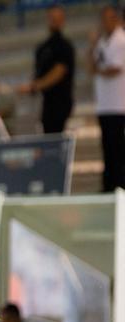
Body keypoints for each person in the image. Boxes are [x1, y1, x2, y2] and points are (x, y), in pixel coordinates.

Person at [18, 5, 75, 134]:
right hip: (46, 102)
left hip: (61, 101)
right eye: (52, 18)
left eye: (57, 18)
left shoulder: (64, 46)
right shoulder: (42, 48)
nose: (54, 21)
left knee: (56, 134)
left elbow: (59, 72)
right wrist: (32, 86)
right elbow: (39, 72)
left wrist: (35, 86)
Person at [88, 5, 125, 192]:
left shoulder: (121, 40)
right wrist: (92, 45)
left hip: (119, 105)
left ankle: (119, 186)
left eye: (110, 18)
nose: (105, 22)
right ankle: (109, 186)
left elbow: (116, 68)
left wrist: (99, 71)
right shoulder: (102, 42)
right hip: (104, 105)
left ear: (116, 19)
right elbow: (91, 66)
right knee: (108, 149)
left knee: (118, 149)